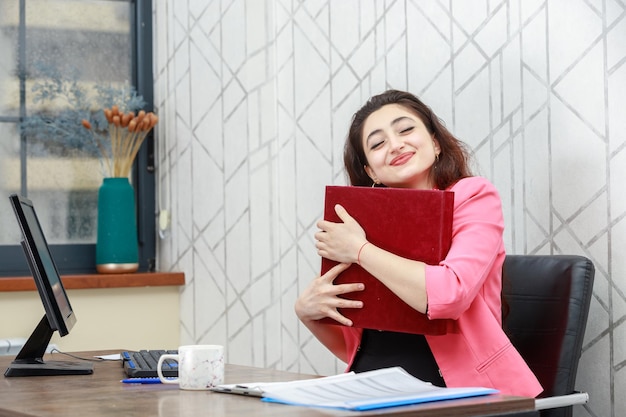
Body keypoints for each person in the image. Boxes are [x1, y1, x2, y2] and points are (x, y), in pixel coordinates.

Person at [294, 89, 542, 397]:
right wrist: (309, 313)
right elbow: (355, 348)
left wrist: (360, 251)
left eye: (405, 129)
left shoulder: (474, 196)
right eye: (378, 143)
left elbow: (451, 293)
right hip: (370, 388)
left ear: (435, 143)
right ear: (371, 170)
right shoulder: (358, 224)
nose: (395, 145)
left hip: (462, 395)